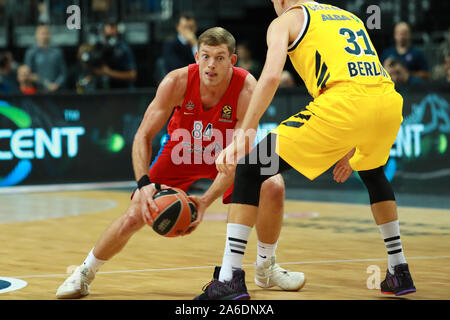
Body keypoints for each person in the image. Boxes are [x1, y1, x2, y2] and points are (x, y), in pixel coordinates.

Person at [55, 27, 305, 299]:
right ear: (197, 56)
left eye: (220, 58)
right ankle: (84, 272)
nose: (211, 64)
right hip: (181, 151)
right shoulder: (176, 81)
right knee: (136, 213)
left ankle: (266, 267)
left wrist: (205, 200)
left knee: (272, 184)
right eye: (206, 56)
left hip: (226, 153)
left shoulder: (247, 87)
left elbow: (242, 149)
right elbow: (143, 135)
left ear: (232, 61)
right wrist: (144, 184)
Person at [195, 0, 417, 300]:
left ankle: (230, 277)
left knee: (250, 167)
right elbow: (364, 77)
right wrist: (350, 143)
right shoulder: (347, 16)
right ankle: (399, 269)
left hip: (343, 103)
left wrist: (242, 136)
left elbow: (271, 77)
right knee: (374, 173)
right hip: (387, 102)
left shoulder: (285, 21)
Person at [92, 19, 137, 89]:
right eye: (108, 27)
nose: (111, 30)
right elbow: (94, 68)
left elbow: (132, 75)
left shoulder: (123, 48)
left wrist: (109, 73)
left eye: (113, 27)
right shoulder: (98, 47)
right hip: (103, 90)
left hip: (123, 91)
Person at [24, 24, 67, 92]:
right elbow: (28, 74)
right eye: (42, 33)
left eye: (46, 33)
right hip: (37, 91)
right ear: (36, 35)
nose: (44, 36)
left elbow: (63, 73)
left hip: (56, 91)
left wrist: (56, 85)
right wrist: (44, 83)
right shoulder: (30, 53)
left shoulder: (57, 52)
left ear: (50, 35)